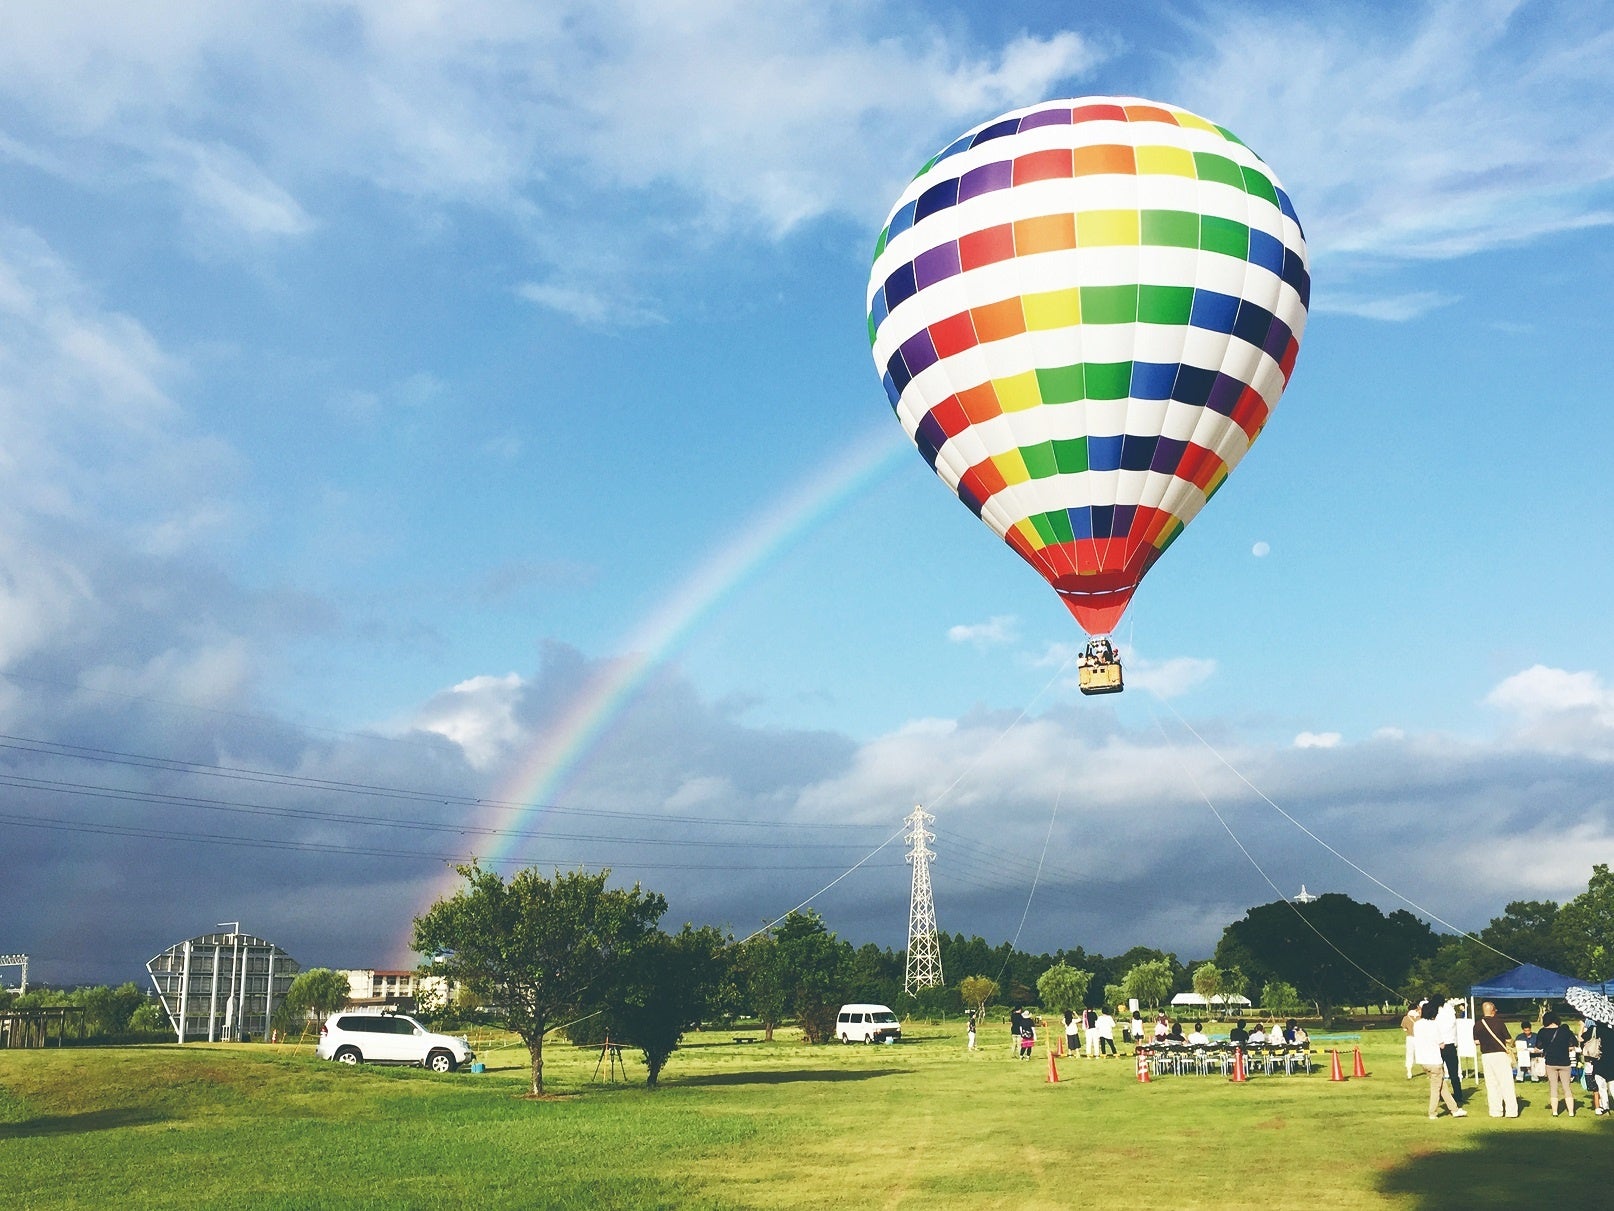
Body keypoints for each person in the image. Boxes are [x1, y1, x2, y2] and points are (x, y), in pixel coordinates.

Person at [1415, 997, 1466, 1119]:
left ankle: (1454, 1110)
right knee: (1435, 1088)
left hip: (1423, 1060)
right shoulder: (1434, 1026)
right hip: (1434, 1061)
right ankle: (1432, 1112)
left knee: (1442, 1086)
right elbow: (1441, 1043)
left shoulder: (1417, 1025)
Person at [1475, 1001, 1518, 1118]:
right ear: (1493, 1010)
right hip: (1500, 1054)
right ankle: (1511, 1111)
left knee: (1492, 1084)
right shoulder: (1499, 1023)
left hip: (1486, 1056)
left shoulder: (1478, 1024)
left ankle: (1495, 1111)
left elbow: (1476, 1042)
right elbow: (1508, 1040)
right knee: (1506, 1083)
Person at [1536, 1012, 1575, 1116]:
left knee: (1553, 1087)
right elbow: (1572, 1045)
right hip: (1565, 1062)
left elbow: (1538, 1046)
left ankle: (1555, 1112)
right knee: (1567, 1087)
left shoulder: (1542, 1032)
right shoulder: (1565, 1031)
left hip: (1551, 1063)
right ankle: (1571, 1112)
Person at [1579, 1016, 1613, 1114]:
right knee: (1612, 1085)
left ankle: (1606, 1108)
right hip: (1611, 1061)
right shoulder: (1611, 1031)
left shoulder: (1593, 1030)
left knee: (1601, 1086)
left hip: (1599, 1061)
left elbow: (1581, 1039)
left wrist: (1582, 1026)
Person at [1435, 997, 1464, 1105]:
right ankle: (1458, 1095)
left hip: (1439, 1045)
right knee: (1454, 1073)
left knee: (1438, 1073)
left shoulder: (1437, 1013)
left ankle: (1439, 1094)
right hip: (1450, 1044)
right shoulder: (1450, 1012)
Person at [1402, 1000, 1424, 1079]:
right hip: (1419, 1038)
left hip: (1410, 1038)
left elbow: (1404, 1029)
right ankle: (1427, 1071)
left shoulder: (1406, 1018)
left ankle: (1409, 1072)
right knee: (1421, 1054)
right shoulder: (1420, 1017)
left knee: (1409, 1055)